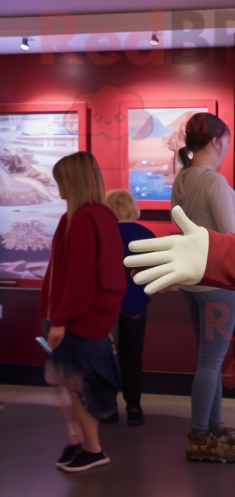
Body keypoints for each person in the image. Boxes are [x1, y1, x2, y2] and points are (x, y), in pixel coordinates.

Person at [171, 112, 235, 463]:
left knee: (210, 360)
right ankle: (200, 436)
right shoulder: (214, 182)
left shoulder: (182, 179)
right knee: (210, 362)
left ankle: (216, 428)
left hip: (191, 283)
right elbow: (233, 239)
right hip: (219, 284)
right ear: (219, 141)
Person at [40, 152, 127, 472]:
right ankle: (81, 443)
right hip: (79, 317)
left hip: (80, 320)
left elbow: (79, 278)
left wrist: (60, 319)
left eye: (61, 180)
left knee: (78, 384)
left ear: (73, 181)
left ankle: (92, 448)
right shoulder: (86, 217)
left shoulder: (83, 219)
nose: (57, 187)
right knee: (70, 380)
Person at [106, 189, 154, 426]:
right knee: (132, 357)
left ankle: (108, 409)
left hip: (105, 307)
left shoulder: (102, 234)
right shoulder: (145, 234)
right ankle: (134, 408)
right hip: (136, 304)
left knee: (105, 356)